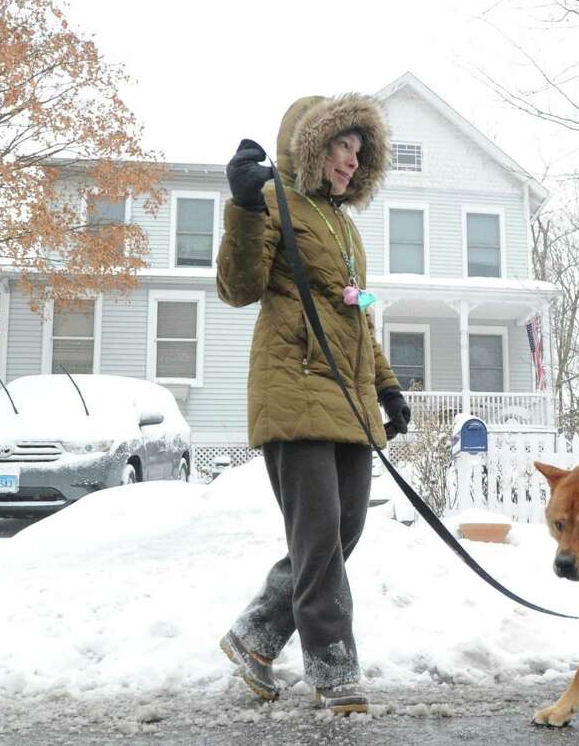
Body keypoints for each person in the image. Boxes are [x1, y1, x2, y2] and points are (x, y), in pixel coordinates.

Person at [216, 93, 411, 716]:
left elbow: (356, 319)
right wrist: (246, 207)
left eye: (358, 150)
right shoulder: (276, 203)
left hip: (348, 401)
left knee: (343, 528)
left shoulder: (344, 226)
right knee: (321, 530)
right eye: (341, 146)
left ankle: (256, 634)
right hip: (294, 390)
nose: (352, 160)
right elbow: (238, 287)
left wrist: (387, 386)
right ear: (312, 146)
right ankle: (333, 666)